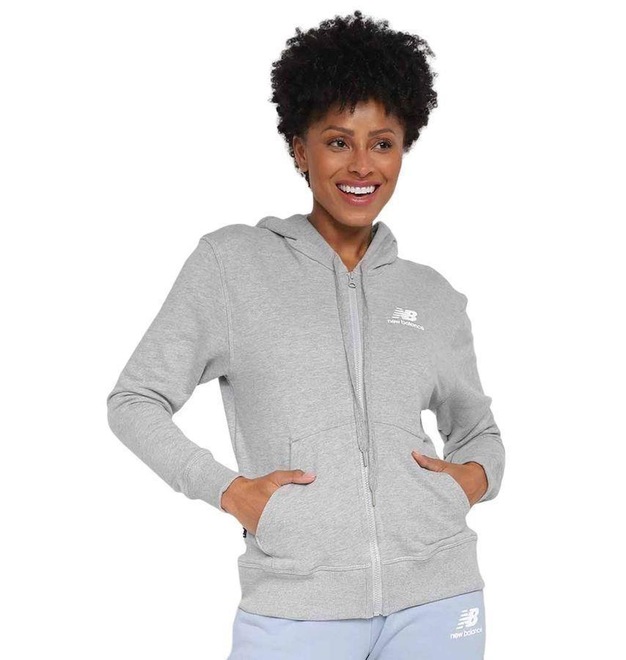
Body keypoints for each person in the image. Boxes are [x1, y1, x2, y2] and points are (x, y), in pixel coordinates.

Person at [106, 10, 505, 659]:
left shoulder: (431, 295)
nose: (363, 165)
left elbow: (479, 430)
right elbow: (134, 401)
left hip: (439, 600)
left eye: (383, 143)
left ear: (404, 149)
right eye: (338, 141)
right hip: (295, 607)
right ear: (300, 149)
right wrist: (230, 491)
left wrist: (467, 482)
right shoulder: (232, 265)